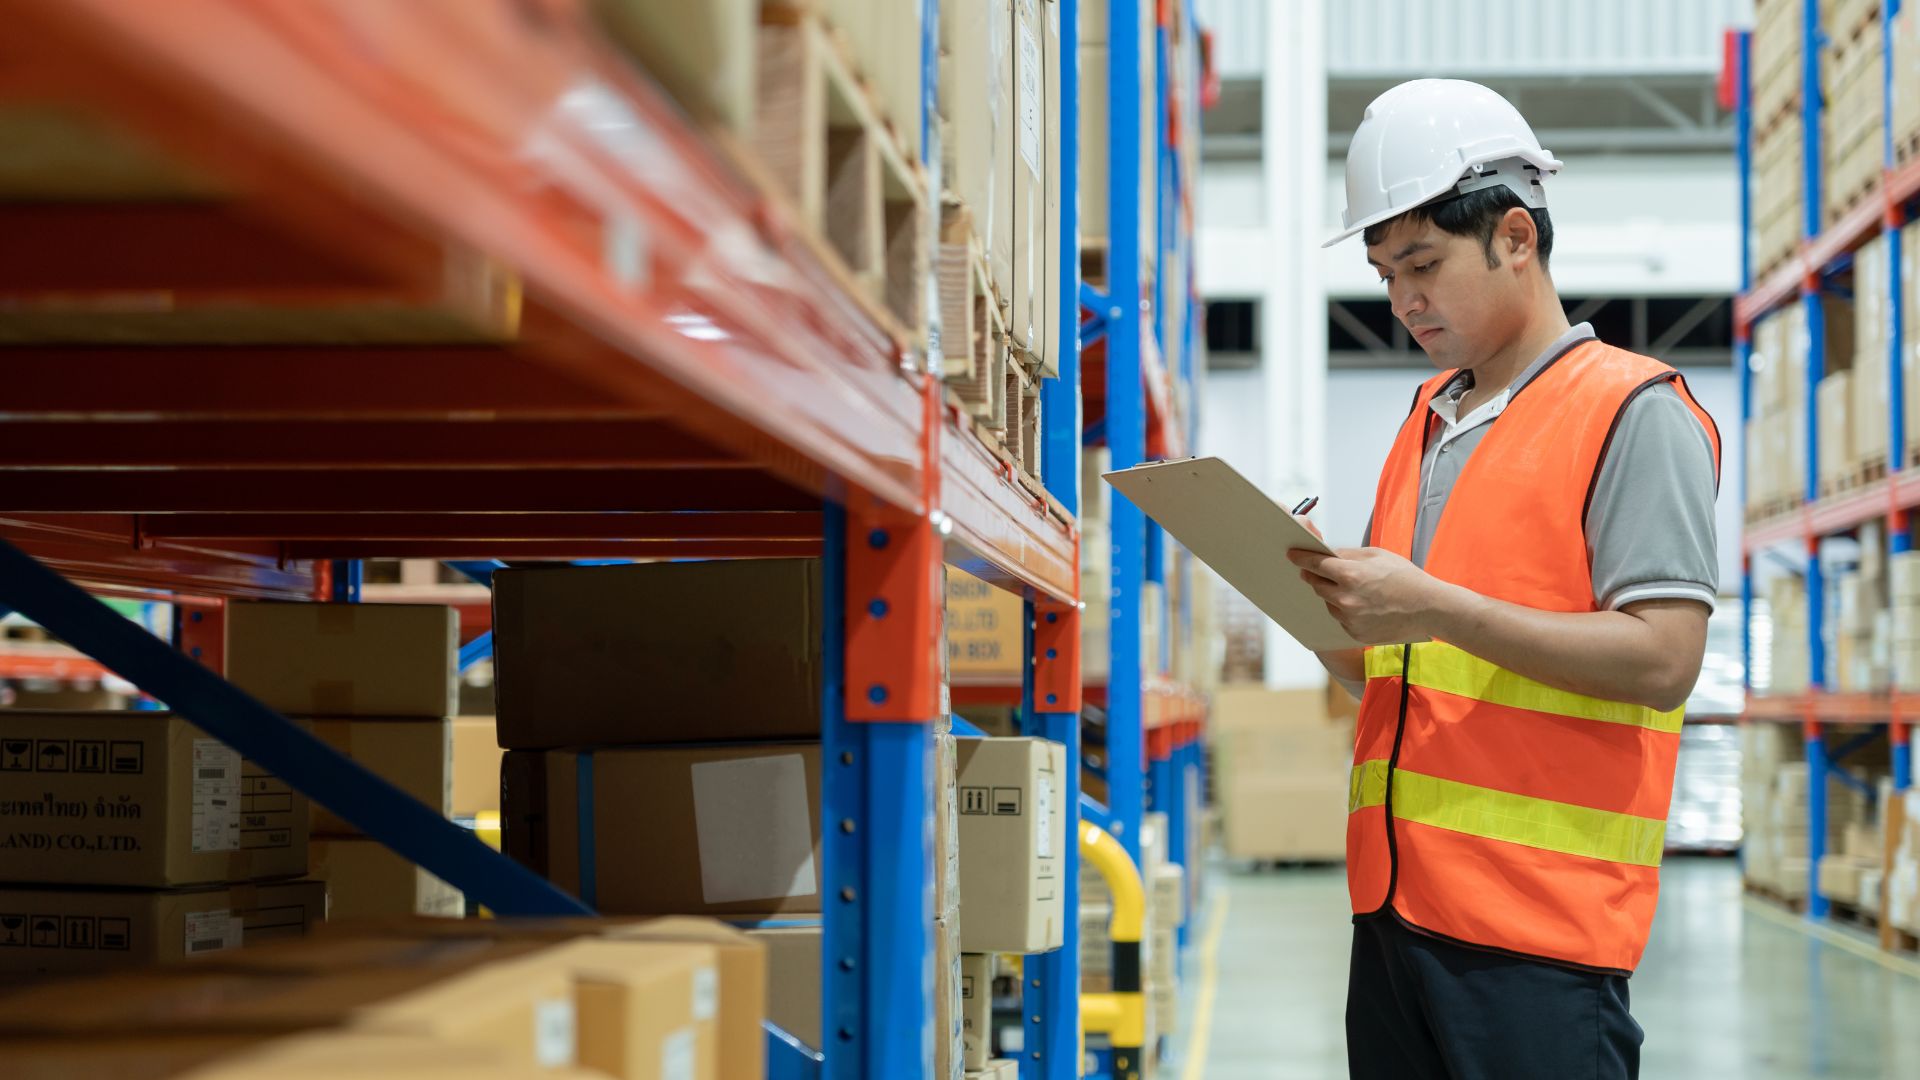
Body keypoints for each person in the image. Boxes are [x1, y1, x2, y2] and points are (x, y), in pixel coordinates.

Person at [1299, 79, 1722, 1080]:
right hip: (1396, 925)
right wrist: (1329, 623)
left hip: (1538, 946)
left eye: (1423, 265)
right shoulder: (1426, 422)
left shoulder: (1632, 411)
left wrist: (1435, 606)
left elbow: (1665, 658)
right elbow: (1403, 673)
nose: (1401, 299)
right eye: (1383, 270)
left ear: (1518, 239)